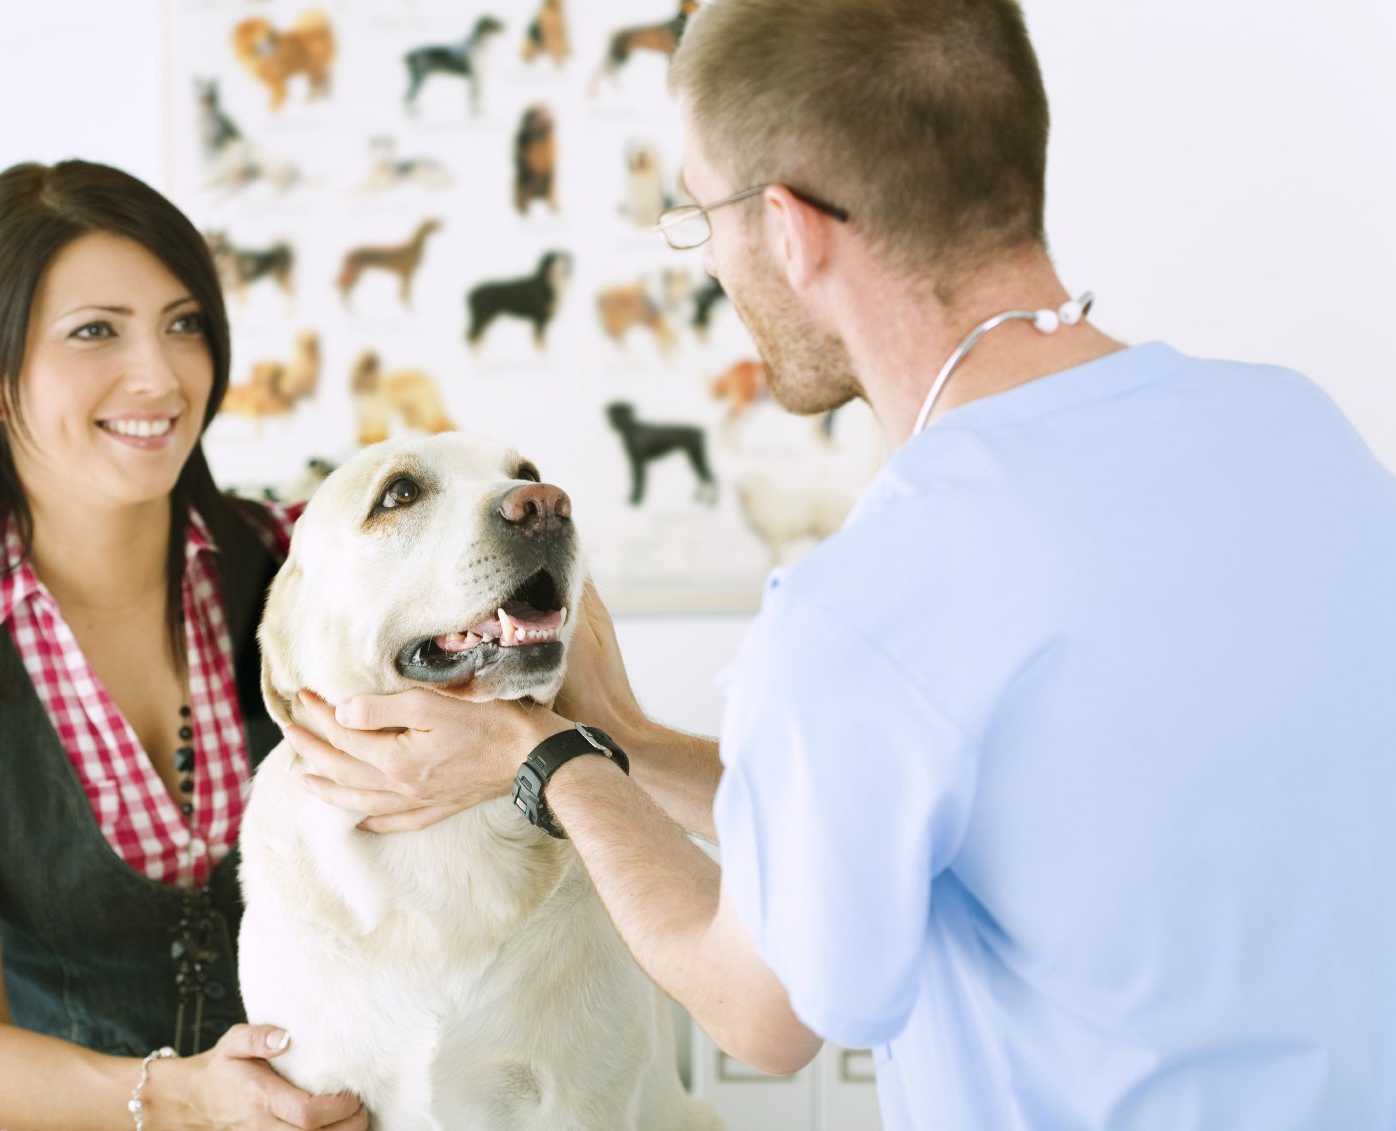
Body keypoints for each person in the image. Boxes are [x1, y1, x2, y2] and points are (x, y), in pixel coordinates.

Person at [280, 1, 1396, 1127]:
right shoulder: (1301, 433)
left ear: (789, 226)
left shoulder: (870, 601)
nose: (709, 254)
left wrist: (544, 755)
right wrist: (629, 744)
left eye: (700, 214)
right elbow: (921, 814)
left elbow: (760, 1009)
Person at [0, 160, 367, 1131]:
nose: (161, 376)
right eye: (95, 332)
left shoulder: (310, 566)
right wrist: (185, 1097)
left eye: (184, 322)